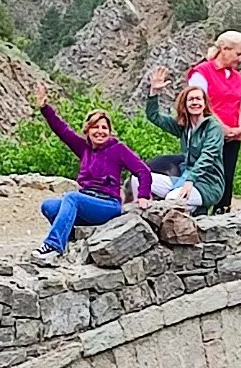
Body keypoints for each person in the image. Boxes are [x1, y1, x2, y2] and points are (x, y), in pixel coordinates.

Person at [31, 82, 151, 267]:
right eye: (95, 127)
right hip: (87, 202)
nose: (100, 131)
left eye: (104, 128)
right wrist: (45, 108)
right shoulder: (84, 148)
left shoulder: (118, 149)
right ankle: (69, 241)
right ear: (88, 130)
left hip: (107, 205)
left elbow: (143, 170)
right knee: (48, 206)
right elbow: (62, 130)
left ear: (110, 132)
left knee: (72, 198)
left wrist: (143, 195)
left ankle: (53, 246)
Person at [142, 66, 227, 212]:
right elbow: (154, 116)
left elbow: (208, 156)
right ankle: (193, 208)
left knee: (172, 200)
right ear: (185, 104)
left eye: (198, 99)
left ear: (204, 103)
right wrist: (154, 92)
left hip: (207, 183)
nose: (195, 103)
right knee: (138, 180)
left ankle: (194, 207)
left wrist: (190, 180)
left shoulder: (213, 127)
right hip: (184, 178)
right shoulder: (183, 126)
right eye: (191, 99)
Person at [186, 30, 241, 213]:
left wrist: (239, 128)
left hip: (232, 138)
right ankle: (198, 211)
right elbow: (201, 105)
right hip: (206, 135)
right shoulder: (201, 73)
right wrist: (221, 128)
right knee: (203, 170)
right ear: (224, 49)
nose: (240, 59)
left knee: (227, 175)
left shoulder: (239, 79)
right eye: (238, 54)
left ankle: (222, 212)